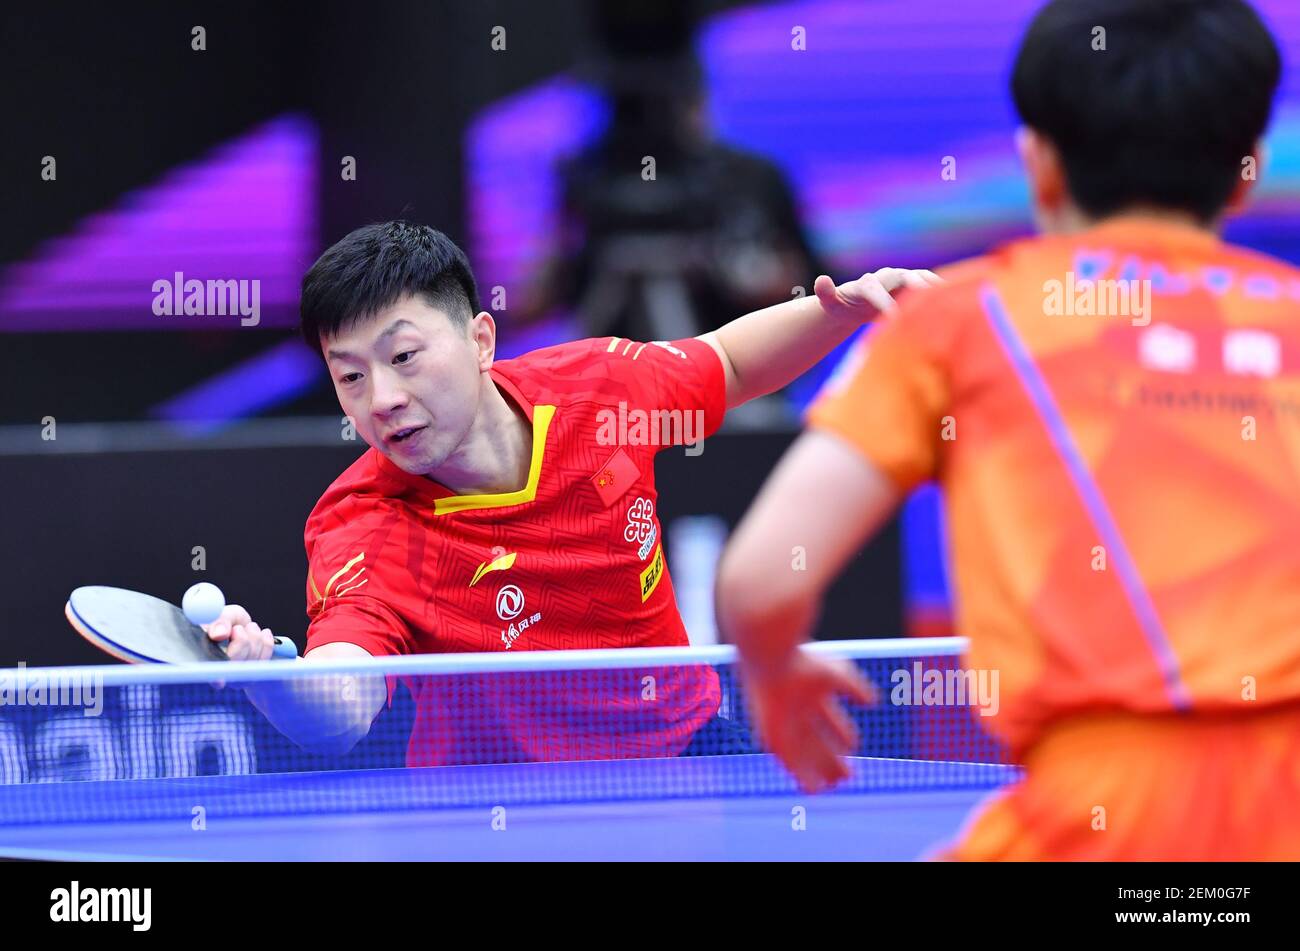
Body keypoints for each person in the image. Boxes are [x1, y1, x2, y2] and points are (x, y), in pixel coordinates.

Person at [715, 0, 1300, 859]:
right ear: (1247, 172)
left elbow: (762, 580)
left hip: (1102, 817)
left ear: (1039, 163)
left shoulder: (961, 321)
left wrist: (772, 675)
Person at [205, 219, 938, 763]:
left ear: (481, 341)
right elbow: (344, 701)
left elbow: (728, 364)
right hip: (497, 809)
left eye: (403, 356)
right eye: (351, 376)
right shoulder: (365, 524)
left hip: (694, 753)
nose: (383, 398)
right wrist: (272, 674)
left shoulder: (602, 391)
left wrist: (839, 313)